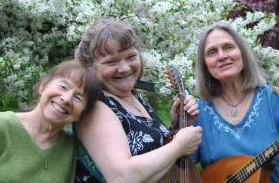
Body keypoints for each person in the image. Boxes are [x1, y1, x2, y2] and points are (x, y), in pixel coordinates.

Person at [74, 18, 202, 182]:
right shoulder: (95, 107)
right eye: (111, 61)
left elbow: (151, 152)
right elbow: (122, 177)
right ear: (89, 67)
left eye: (131, 56)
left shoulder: (133, 96)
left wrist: (177, 126)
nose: (125, 67)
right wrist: (178, 146)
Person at [192, 22, 279, 182]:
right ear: (205, 65)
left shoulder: (276, 99)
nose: (222, 56)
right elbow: (182, 171)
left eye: (228, 47)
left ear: (242, 53)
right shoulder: (198, 112)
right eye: (212, 52)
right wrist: (177, 124)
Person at [0, 60, 101, 183]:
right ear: (43, 86)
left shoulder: (70, 149)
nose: (66, 99)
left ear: (81, 115)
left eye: (78, 98)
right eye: (63, 87)